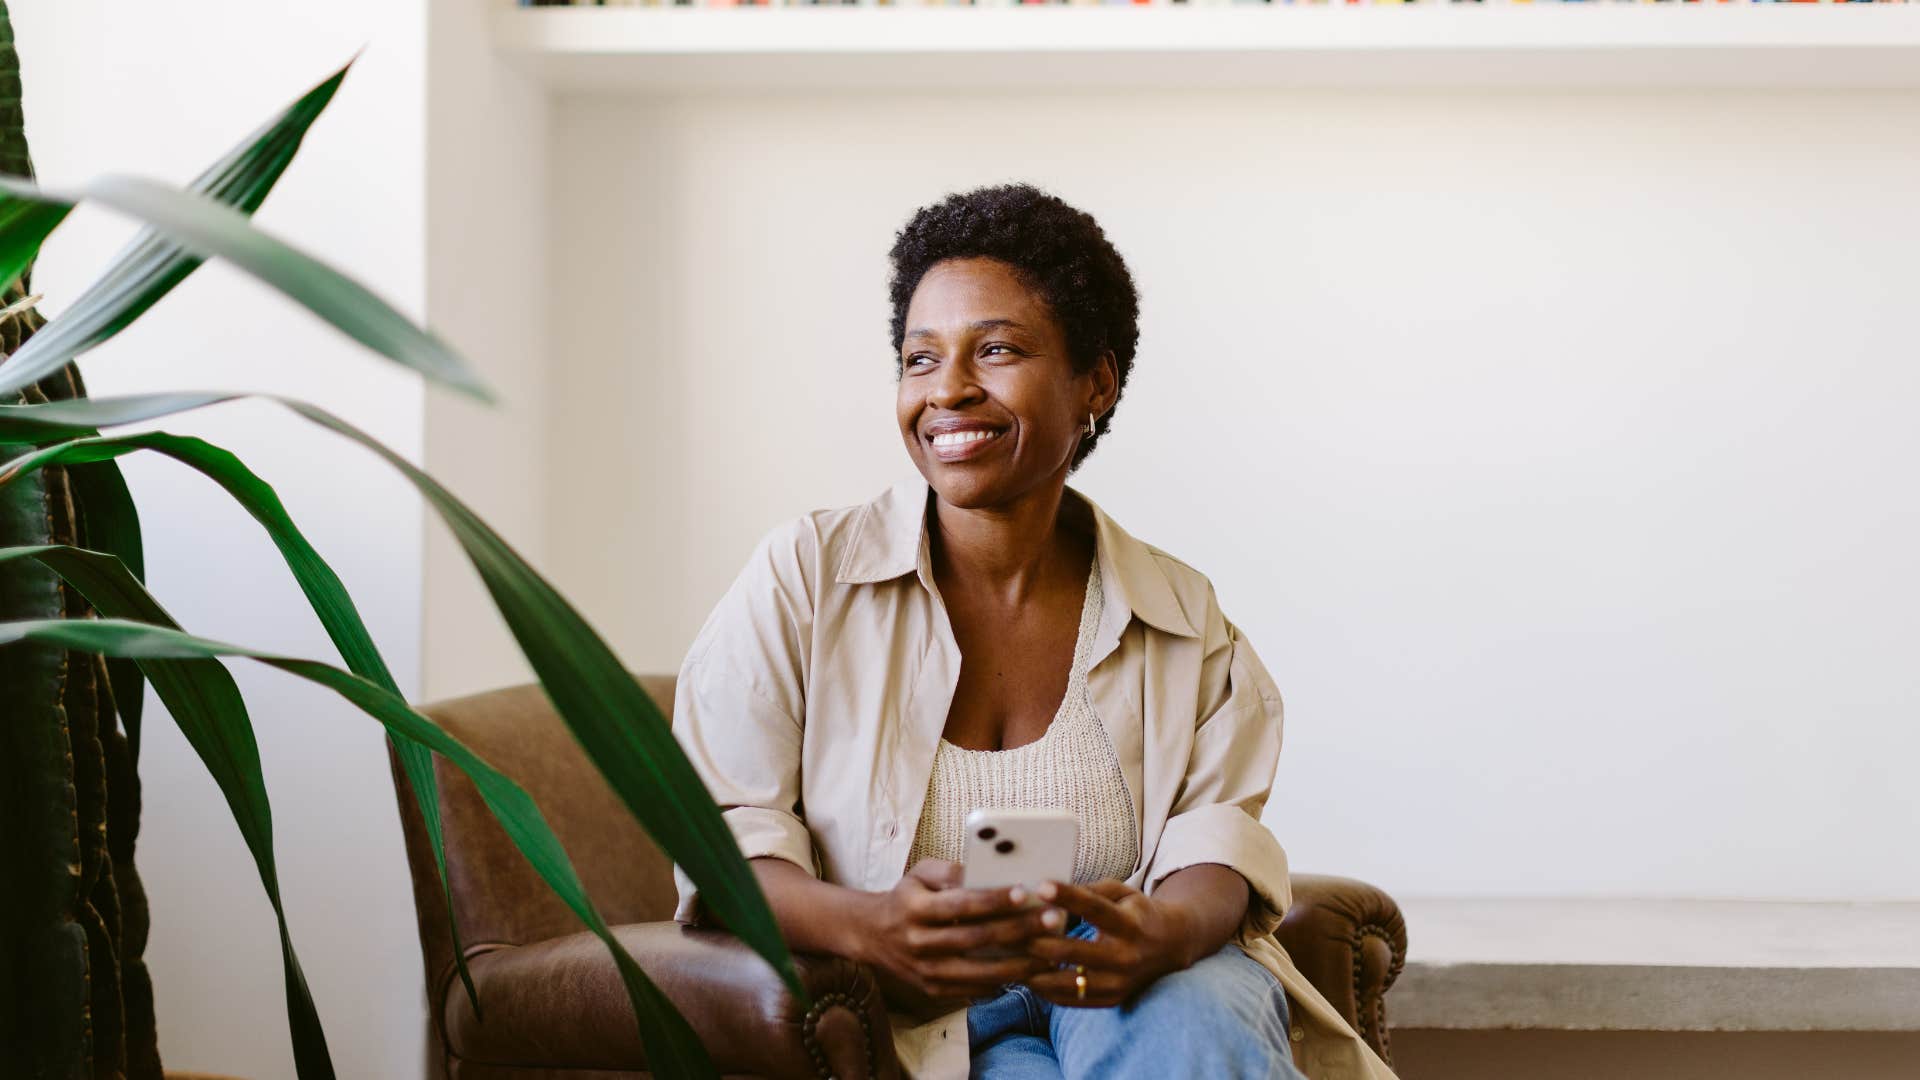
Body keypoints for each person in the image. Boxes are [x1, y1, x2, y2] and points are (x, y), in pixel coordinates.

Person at [671, 183, 1396, 1080]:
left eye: (998, 349)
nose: (948, 392)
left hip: (1135, 990)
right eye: (919, 359)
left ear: (1097, 380)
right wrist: (873, 925)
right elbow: (720, 839)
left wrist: (1163, 930)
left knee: (1193, 1024)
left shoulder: (1178, 613)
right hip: (918, 1018)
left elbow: (1218, 842)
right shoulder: (805, 578)